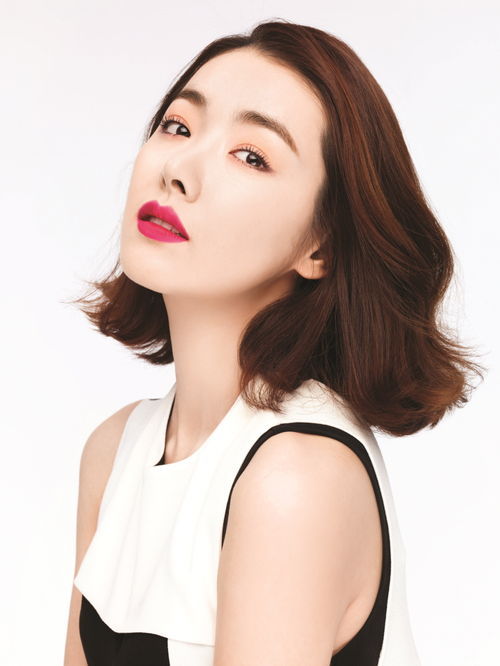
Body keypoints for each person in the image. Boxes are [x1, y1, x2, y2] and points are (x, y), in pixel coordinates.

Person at [63, 18, 484, 666]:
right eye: (178, 126)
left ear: (320, 245)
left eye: (251, 155)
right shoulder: (116, 451)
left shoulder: (294, 475)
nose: (179, 170)